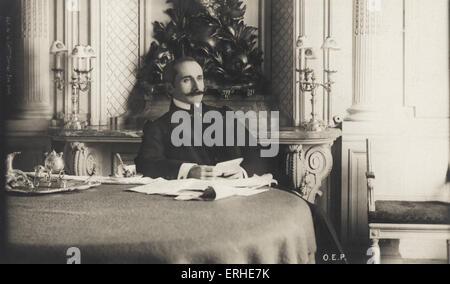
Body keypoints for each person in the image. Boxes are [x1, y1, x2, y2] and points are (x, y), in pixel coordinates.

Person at [135, 57, 272, 180]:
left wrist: (242, 171)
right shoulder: (158, 127)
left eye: (199, 78)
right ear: (170, 88)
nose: (197, 86)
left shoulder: (225, 116)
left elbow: (258, 154)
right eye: (187, 80)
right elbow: (146, 164)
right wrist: (188, 171)